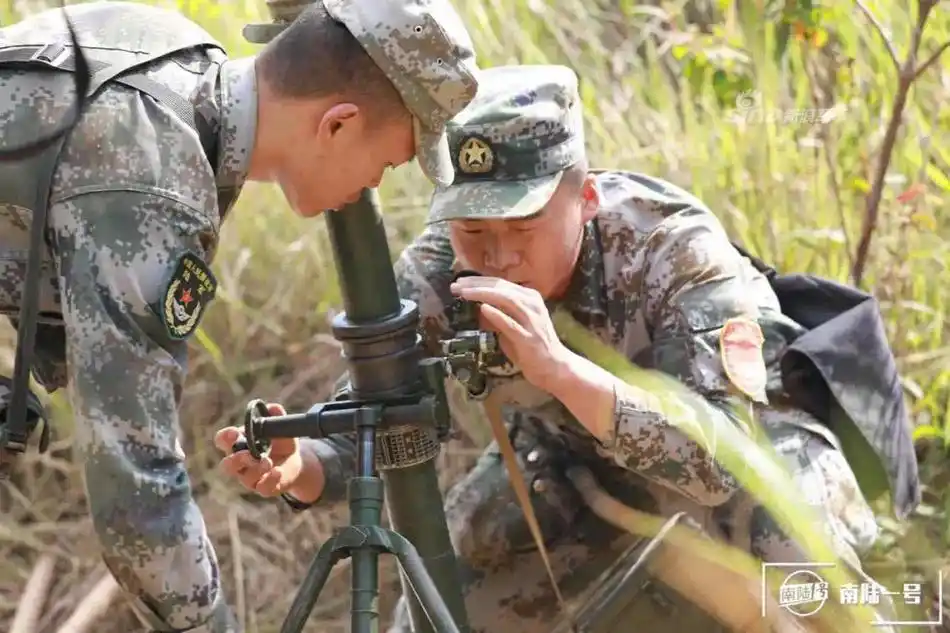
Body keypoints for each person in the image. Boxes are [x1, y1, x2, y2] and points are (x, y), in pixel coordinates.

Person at [216, 65, 918, 632]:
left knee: (790, 541)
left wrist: (561, 370)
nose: (496, 258)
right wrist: (301, 466)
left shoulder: (673, 248)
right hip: (574, 462)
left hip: (750, 449)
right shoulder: (440, 267)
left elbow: (723, 461)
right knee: (443, 586)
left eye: (519, 229)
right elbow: (391, 415)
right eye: (473, 232)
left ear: (583, 198)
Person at [0, 0, 480, 631]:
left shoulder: (172, 53)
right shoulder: (154, 187)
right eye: (387, 163)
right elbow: (135, 486)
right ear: (336, 125)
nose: (373, 185)